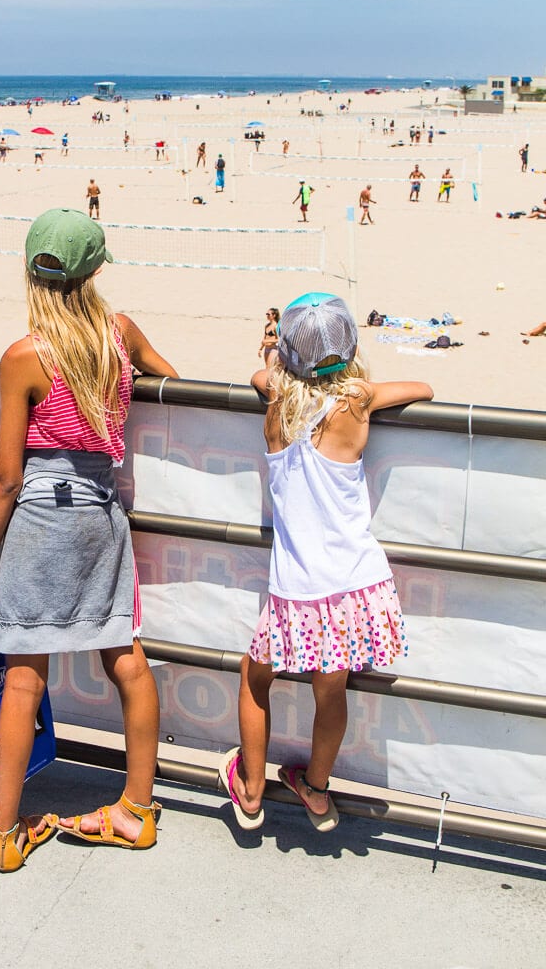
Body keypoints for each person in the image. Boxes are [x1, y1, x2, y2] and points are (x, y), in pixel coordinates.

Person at [0, 209, 178, 872]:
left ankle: (6, 834)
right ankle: (136, 812)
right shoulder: (118, 334)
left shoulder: (24, 356)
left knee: (24, 672)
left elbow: (5, 476)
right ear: (95, 272)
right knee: (125, 654)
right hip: (101, 511)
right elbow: (169, 376)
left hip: (41, 519)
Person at [220, 293, 432, 832]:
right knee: (330, 689)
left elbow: (262, 375)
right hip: (355, 581)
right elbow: (424, 389)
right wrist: (359, 383)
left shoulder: (277, 405)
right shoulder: (357, 402)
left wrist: (271, 357)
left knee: (254, 676)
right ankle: (315, 790)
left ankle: (249, 792)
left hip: (297, 587)